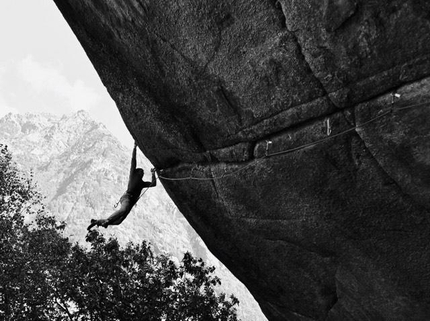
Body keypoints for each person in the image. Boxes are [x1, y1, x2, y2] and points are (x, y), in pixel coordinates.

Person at [87, 142, 156, 230]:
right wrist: (135, 148)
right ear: (137, 172)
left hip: (131, 201)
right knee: (123, 211)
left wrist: (153, 173)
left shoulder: (142, 183)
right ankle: (107, 221)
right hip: (127, 197)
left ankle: (98, 222)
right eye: (141, 171)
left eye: (143, 172)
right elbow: (133, 160)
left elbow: (153, 184)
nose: (142, 173)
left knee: (119, 221)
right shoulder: (132, 175)